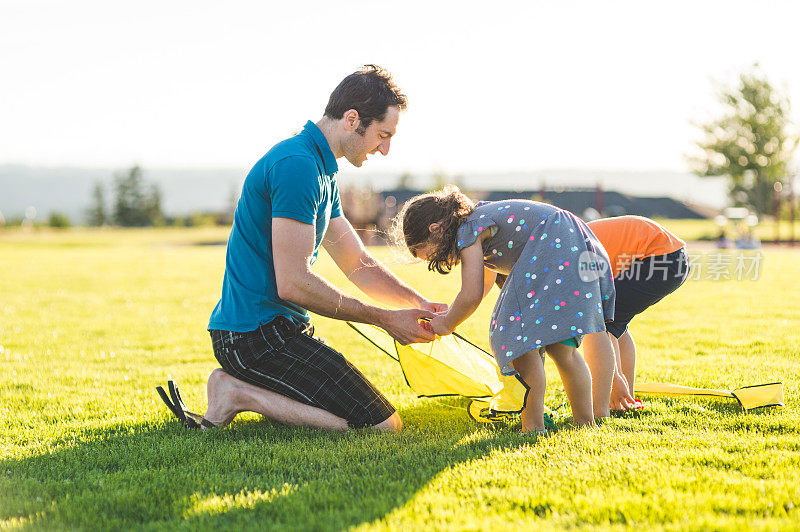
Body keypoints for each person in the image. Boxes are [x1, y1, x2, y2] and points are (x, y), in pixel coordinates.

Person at [161, 65, 447, 433]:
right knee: (381, 427)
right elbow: (293, 283)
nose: (386, 149)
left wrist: (417, 305)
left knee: (380, 421)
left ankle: (239, 389)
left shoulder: (321, 170)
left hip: (281, 331)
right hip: (255, 338)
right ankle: (236, 393)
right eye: (382, 134)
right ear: (352, 119)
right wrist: (384, 318)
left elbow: (358, 262)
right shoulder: (298, 167)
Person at [395, 186, 617, 434]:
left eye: (431, 256)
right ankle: (585, 423)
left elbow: (470, 294)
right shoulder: (479, 220)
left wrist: (447, 324)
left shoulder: (467, 231)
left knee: (517, 341)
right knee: (562, 350)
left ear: (436, 229)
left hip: (552, 245)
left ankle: (533, 426)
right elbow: (485, 284)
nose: (442, 262)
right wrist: (447, 316)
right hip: (571, 243)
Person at [584, 215, 689, 411]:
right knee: (617, 325)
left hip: (657, 256)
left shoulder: (562, 254)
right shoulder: (566, 240)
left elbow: (597, 323)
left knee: (602, 323)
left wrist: (614, 379)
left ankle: (608, 402)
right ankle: (625, 399)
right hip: (674, 256)